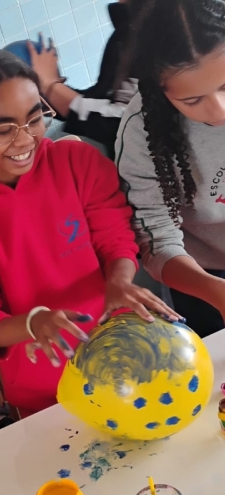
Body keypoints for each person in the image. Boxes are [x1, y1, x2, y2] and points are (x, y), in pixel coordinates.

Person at [0, 50, 179, 442]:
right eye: (3, 129)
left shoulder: (76, 162)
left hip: (121, 356)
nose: (24, 139)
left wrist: (119, 280)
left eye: (35, 119)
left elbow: (115, 237)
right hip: (45, 394)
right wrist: (33, 323)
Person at [116, 0, 225, 339]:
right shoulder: (142, 131)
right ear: (161, 90)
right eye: (192, 101)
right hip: (205, 278)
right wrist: (215, 291)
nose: (218, 110)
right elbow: (158, 239)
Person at [7, 0, 135, 158]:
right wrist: (47, 93)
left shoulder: (146, 36)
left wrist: (50, 86)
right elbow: (104, 100)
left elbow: (120, 120)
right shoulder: (129, 30)